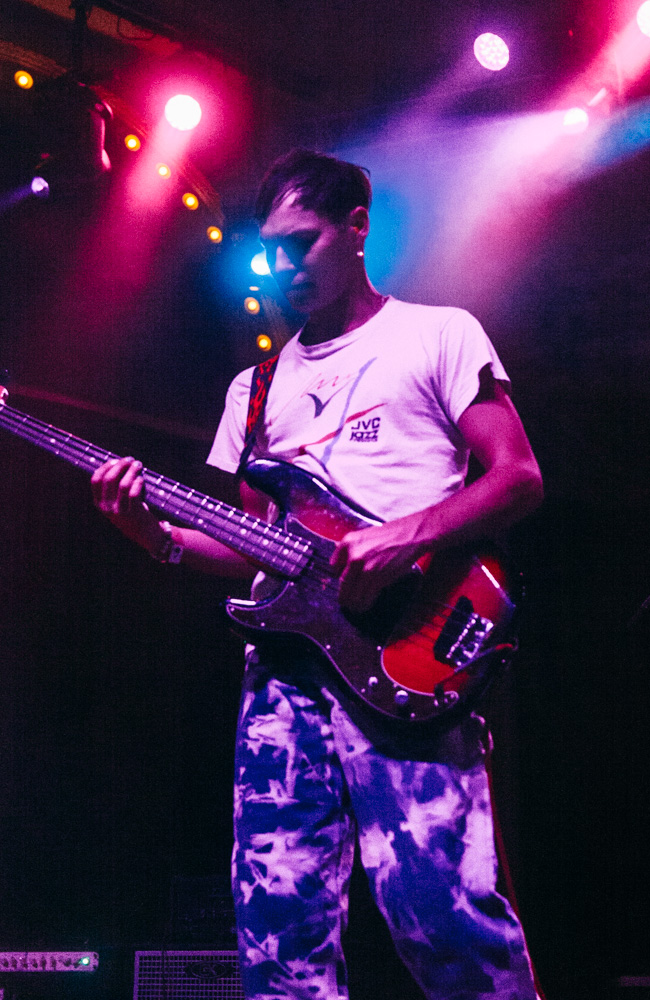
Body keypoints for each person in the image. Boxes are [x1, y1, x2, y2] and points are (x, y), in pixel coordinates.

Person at [91, 149, 544, 1000]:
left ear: (357, 229)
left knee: (439, 914)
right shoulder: (252, 391)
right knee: (276, 924)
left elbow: (517, 475)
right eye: (272, 249)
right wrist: (149, 532)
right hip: (284, 677)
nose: (283, 265)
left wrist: (405, 537)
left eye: (302, 243)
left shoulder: (437, 334)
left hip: (409, 647)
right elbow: (255, 545)